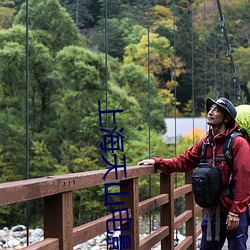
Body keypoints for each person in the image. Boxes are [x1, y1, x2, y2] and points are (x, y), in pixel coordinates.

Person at [137, 97, 250, 250]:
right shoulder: (205, 143)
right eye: (210, 109)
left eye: (216, 110)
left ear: (227, 118)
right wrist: (157, 162)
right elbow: (184, 161)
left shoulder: (238, 143)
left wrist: (236, 212)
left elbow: (244, 178)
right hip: (212, 211)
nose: (210, 112)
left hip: (233, 211)